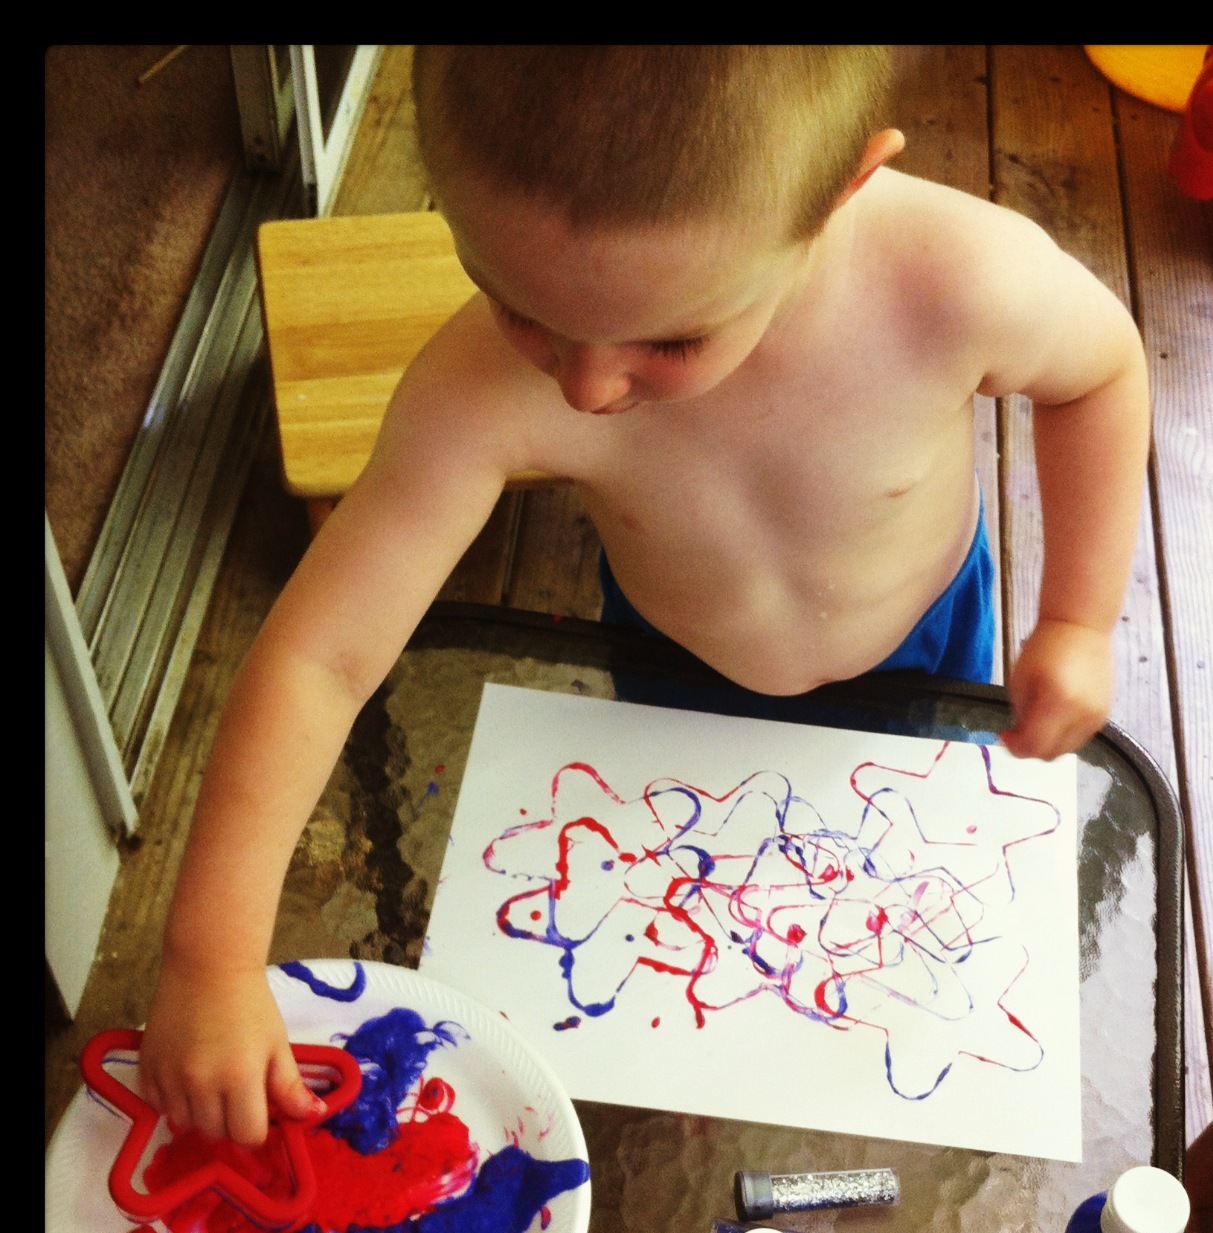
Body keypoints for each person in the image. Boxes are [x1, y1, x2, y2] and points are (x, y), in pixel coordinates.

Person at [140, 46, 1149, 1146]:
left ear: (839, 194)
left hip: (921, 650)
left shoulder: (958, 285)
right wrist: (212, 955)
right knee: (690, 955)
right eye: (515, 303)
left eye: (670, 338)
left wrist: (1080, 620)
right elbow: (319, 655)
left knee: (884, 943)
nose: (584, 387)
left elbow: (1100, 371)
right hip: (672, 663)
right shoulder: (486, 383)